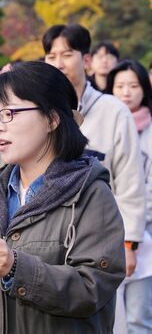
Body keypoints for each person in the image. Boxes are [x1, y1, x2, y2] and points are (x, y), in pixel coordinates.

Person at [0, 61, 125, 333]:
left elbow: (93, 287)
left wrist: (16, 268)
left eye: (10, 113)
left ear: (52, 119)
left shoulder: (91, 195)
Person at [42, 24, 145, 279]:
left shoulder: (113, 111)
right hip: (49, 238)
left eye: (67, 55)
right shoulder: (39, 113)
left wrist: (130, 242)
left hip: (102, 236)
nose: (59, 63)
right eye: (51, 56)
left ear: (86, 60)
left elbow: (130, 179)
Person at [106, 60, 152, 334]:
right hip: (108, 228)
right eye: (119, 86)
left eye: (133, 86)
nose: (126, 92)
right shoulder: (103, 126)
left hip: (145, 230)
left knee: (138, 318)